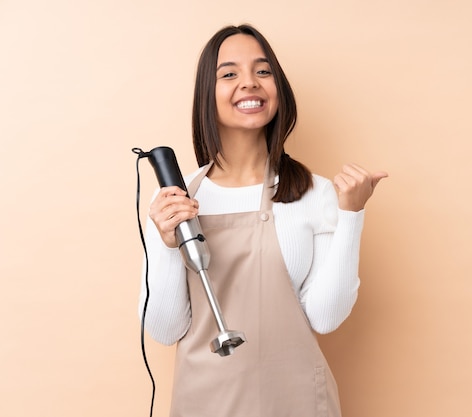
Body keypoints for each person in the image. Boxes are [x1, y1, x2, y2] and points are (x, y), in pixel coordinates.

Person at [139, 24, 387, 417]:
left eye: (263, 71)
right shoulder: (174, 198)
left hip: (297, 403)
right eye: (229, 74)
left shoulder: (314, 193)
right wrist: (169, 245)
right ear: (208, 93)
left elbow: (325, 318)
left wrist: (351, 214)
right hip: (204, 405)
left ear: (278, 89)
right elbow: (165, 330)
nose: (249, 83)